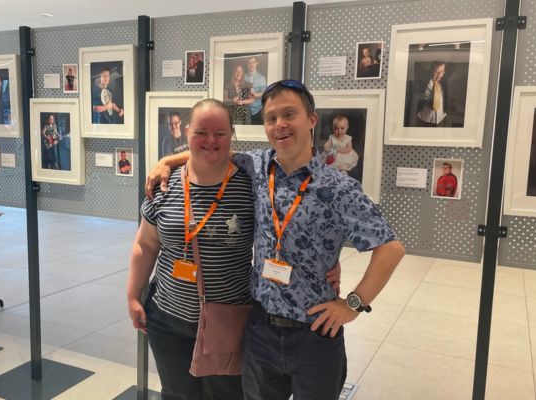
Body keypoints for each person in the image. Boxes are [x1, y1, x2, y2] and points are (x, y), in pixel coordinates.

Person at [147, 80, 405, 400]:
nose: (279, 124)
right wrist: (167, 162)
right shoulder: (256, 166)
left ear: (312, 119)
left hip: (314, 333)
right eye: (271, 118)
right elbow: (211, 148)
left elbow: (391, 248)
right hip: (260, 330)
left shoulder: (338, 187)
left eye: (289, 114)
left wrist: (352, 304)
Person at [127, 99, 254, 399]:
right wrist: (133, 295)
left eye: (220, 133)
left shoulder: (250, 185)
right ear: (186, 132)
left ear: (231, 135)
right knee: (176, 393)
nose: (211, 140)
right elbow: (145, 245)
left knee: (225, 395)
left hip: (228, 321)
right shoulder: (163, 186)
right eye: (201, 132)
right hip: (168, 320)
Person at [416, 61, 448, 127]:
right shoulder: (425, 82)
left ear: (444, 73)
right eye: (436, 72)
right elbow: (419, 99)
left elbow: (445, 97)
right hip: (425, 119)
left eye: (441, 72)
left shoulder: (444, 84)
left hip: (440, 118)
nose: (438, 75)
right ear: (432, 70)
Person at [244, 56, 267, 125]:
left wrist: (256, 95)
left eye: (253, 62)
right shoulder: (243, 77)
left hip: (258, 111)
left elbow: (264, 93)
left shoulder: (261, 78)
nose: (251, 65)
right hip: (245, 111)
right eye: (249, 63)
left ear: (256, 63)